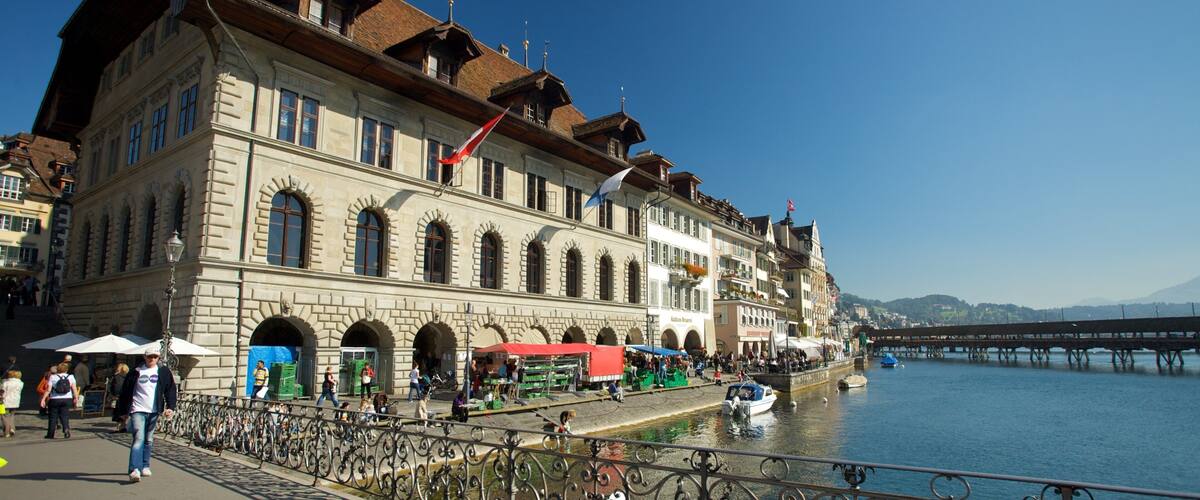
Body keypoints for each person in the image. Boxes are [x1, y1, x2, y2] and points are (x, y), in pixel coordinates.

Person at [115, 346, 178, 483]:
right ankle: (134, 469)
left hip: (154, 410)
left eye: (155, 357)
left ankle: (145, 465)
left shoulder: (163, 371)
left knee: (148, 439)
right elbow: (125, 393)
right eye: (150, 357)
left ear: (159, 358)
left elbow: (170, 390)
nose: (152, 359)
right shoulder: (135, 372)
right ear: (145, 357)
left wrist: (170, 407)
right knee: (139, 438)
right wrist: (124, 412)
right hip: (137, 409)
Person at [41, 362, 77, 439]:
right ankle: (66, 430)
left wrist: (43, 399)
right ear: (66, 369)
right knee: (65, 415)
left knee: (53, 417)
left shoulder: (53, 377)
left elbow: (48, 390)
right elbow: (74, 389)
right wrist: (76, 398)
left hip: (55, 399)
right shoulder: (71, 377)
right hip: (67, 398)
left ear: (58, 369)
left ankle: (50, 434)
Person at [109, 363, 130, 433]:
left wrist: (113, 394)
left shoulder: (116, 377)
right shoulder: (128, 376)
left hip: (118, 397)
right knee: (125, 411)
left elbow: (115, 388)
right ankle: (124, 426)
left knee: (117, 412)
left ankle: (119, 427)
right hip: (126, 396)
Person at [1, 370, 22, 437]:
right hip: (15, 401)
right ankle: (12, 428)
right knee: (12, 416)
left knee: (4, 416)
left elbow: (3, 392)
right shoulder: (21, 383)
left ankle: (7, 432)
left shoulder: (6, 383)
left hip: (6, 401)